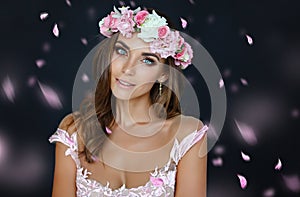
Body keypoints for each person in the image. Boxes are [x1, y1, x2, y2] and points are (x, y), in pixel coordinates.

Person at [49, 6, 208, 197]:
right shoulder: (74, 131)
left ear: (164, 75)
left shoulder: (187, 136)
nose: (127, 68)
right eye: (122, 51)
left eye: (147, 60)